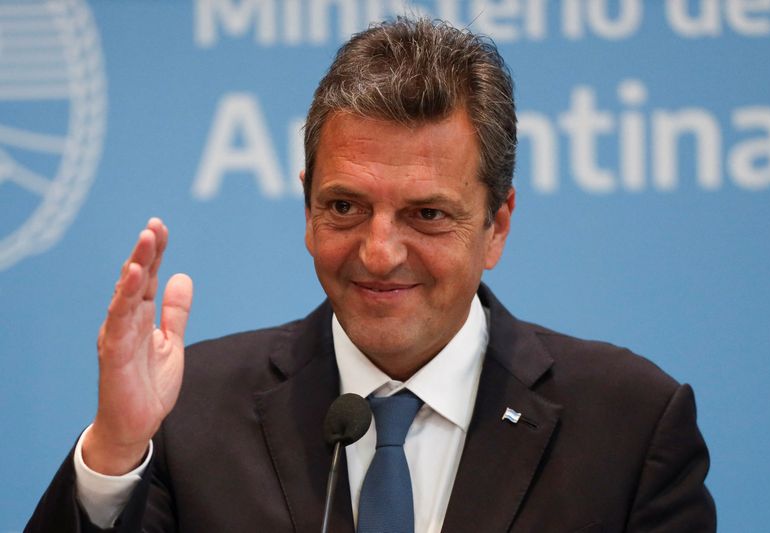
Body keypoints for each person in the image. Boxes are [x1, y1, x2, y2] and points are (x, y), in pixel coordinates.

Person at [26, 17, 715, 533]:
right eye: (346, 207)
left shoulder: (630, 427)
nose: (379, 252)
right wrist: (117, 450)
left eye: (426, 214)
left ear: (497, 225)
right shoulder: (187, 415)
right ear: (306, 206)